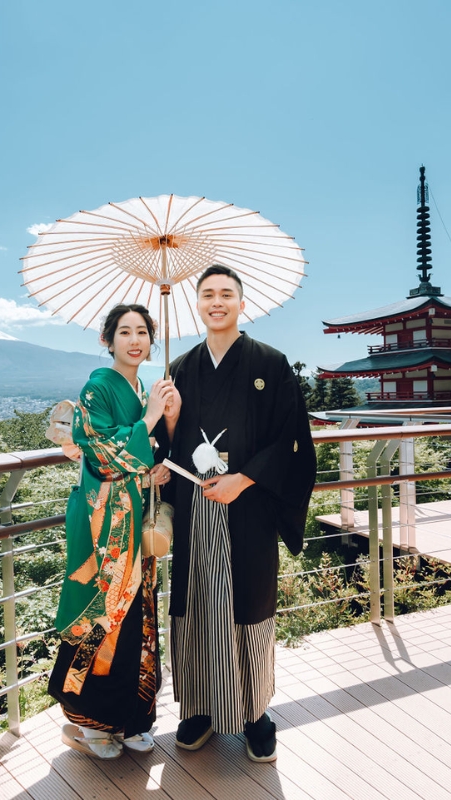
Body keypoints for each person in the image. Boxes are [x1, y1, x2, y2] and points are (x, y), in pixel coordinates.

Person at [156, 264, 316, 762]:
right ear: (197, 305)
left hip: (248, 505)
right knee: (198, 604)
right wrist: (173, 418)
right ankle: (200, 708)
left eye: (227, 294)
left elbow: (291, 440)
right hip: (195, 507)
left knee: (249, 606)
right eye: (208, 295)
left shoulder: (271, 362)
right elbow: (166, 444)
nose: (217, 302)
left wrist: (243, 479)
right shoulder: (179, 367)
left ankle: (254, 714)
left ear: (242, 304)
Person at [48, 303, 176, 760]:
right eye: (125, 332)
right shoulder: (98, 387)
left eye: (143, 331)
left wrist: (153, 470)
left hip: (133, 518)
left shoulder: (144, 385)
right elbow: (101, 456)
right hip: (102, 523)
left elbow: (139, 457)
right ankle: (89, 721)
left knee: (138, 616)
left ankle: (131, 717)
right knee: (104, 612)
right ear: (108, 340)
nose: (135, 340)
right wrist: (149, 418)